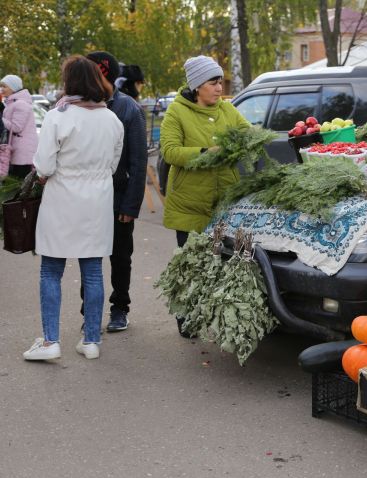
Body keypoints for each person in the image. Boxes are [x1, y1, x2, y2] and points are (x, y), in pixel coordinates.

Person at [23, 55, 124, 361]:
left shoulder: (58, 116)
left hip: (62, 200)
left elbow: (44, 165)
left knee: (51, 270)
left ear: (70, 82)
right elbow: (113, 164)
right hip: (97, 203)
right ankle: (91, 340)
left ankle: (51, 341)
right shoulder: (112, 119)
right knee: (92, 271)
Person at [160, 55, 250, 337]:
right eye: (213, 82)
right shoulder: (177, 112)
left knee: (220, 261)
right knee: (190, 265)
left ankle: (213, 315)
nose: (219, 87)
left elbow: (247, 134)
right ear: (198, 85)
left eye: (221, 81)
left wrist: (248, 143)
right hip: (189, 203)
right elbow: (170, 151)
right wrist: (203, 154)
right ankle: (185, 319)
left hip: (223, 202)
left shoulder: (227, 110)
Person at [86, 51, 148, 332]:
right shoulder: (79, 107)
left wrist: (130, 207)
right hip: (87, 199)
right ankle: (89, 308)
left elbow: (138, 163)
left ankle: (119, 307)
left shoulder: (127, 109)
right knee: (88, 256)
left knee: (120, 257)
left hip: (118, 199)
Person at [0, 74, 39, 179]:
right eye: (1, 86)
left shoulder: (21, 104)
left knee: (18, 184)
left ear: (13, 87)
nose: (1, 89)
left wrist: (1, 120)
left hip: (22, 152)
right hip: (17, 150)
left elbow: (16, 127)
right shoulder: (13, 103)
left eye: (4, 86)